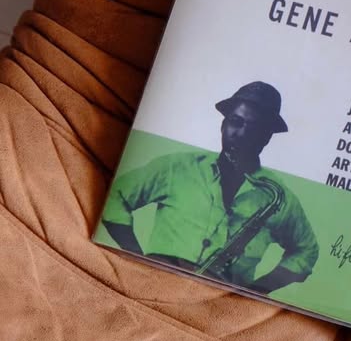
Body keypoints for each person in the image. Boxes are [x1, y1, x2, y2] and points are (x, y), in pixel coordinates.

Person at [101, 82, 319, 294]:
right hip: (157, 280)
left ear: (266, 138)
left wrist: (257, 290)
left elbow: (307, 251)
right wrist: (136, 256)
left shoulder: (279, 196)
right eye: (236, 122)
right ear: (223, 125)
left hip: (218, 297)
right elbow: (115, 195)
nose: (241, 134)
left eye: (254, 129)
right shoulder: (177, 167)